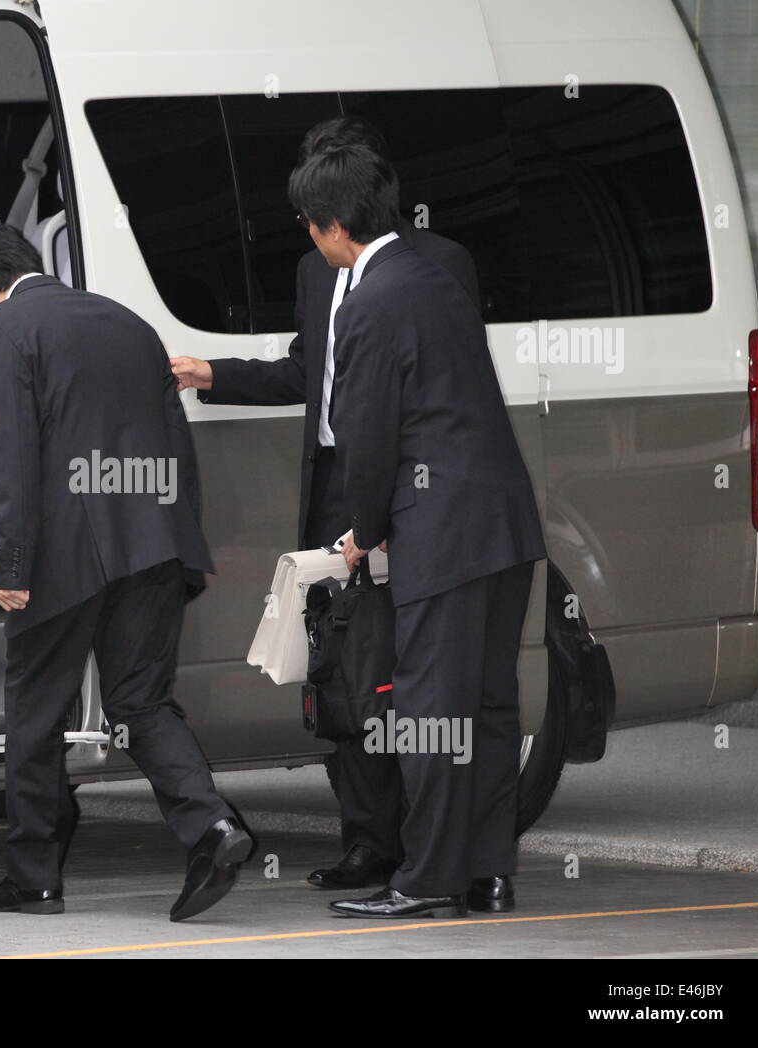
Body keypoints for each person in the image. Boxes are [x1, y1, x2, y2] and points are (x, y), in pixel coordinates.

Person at [169, 115, 480, 894]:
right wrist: (213, 373)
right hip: (337, 482)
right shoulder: (317, 272)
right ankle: (367, 839)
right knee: (339, 667)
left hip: (408, 487)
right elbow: (309, 373)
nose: (314, 225)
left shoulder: (437, 264)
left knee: (409, 672)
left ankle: (426, 848)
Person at [0, 222, 253, 921]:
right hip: (154, 540)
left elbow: (11, 459)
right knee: (141, 702)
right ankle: (213, 827)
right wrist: (181, 543)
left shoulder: (5, 331)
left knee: (37, 709)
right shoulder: (125, 320)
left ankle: (34, 878)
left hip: (65, 553)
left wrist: (10, 562)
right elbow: (174, 439)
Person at [277, 143, 546, 918]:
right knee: (490, 707)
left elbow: (368, 437)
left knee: (430, 711)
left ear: (330, 229)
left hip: (443, 536)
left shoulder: (366, 301)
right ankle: (489, 874)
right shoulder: (437, 276)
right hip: (504, 525)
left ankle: (426, 881)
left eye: (307, 225)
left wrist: (363, 531)